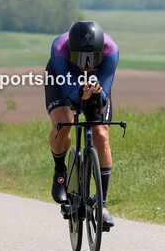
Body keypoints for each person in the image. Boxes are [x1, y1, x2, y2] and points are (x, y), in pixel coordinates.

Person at [44, 20, 119, 230]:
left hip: (97, 81)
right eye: (81, 58)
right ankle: (60, 170)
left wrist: (96, 94)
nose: (86, 64)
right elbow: (69, 92)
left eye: (92, 58)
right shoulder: (59, 48)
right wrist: (79, 94)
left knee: (101, 134)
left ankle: (102, 205)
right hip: (63, 77)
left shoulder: (111, 50)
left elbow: (103, 92)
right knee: (63, 123)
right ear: (72, 51)